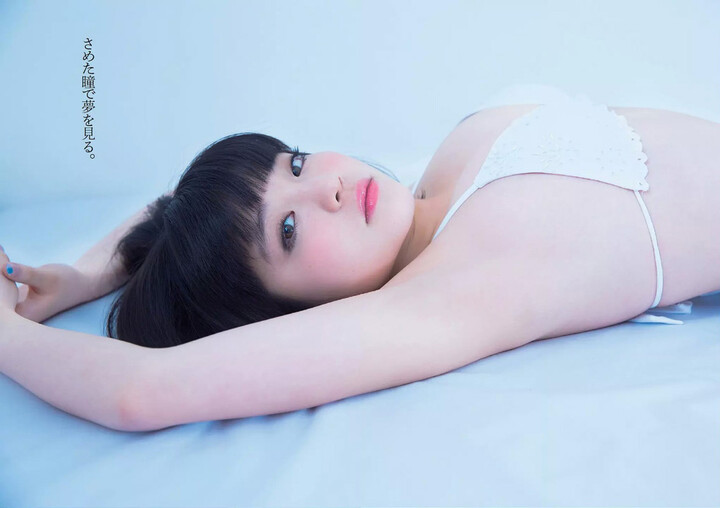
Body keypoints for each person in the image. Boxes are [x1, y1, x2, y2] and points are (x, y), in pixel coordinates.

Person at [1, 90, 719, 432]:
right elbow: (142, 392)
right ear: (291, 316)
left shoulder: (437, 175)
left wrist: (86, 274)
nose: (329, 187)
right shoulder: (442, 296)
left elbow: (177, 208)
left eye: (295, 163)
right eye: (288, 230)